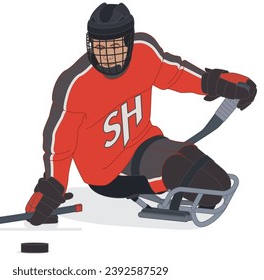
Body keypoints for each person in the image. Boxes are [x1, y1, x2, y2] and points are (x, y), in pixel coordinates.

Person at [25, 3, 257, 225]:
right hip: (107, 172)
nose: (107, 55)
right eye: (100, 47)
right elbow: (59, 144)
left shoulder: (144, 52)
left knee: (216, 183)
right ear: (90, 44)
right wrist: (53, 186)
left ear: (129, 41)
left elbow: (174, 74)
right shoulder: (75, 85)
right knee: (194, 181)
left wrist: (214, 83)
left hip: (145, 144)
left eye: (115, 46)